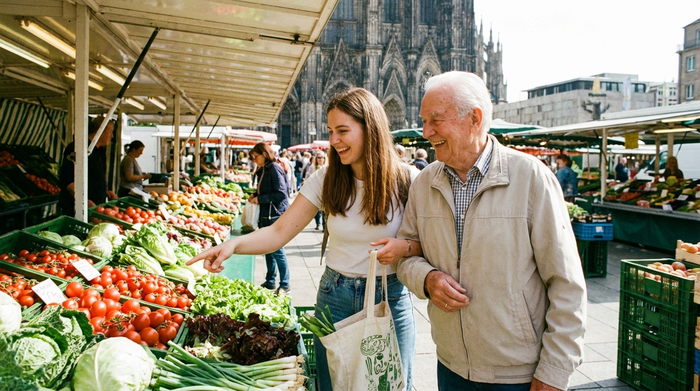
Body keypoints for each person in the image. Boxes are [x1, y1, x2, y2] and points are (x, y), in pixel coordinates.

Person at [188, 87, 418, 391]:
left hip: (390, 297)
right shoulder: (326, 179)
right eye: (331, 131)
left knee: (391, 385)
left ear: (370, 129)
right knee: (333, 385)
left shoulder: (408, 180)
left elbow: (431, 243)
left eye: (342, 131)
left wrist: (405, 247)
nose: (333, 140)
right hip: (336, 298)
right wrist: (233, 245)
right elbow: (279, 232)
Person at [374, 71, 586, 391]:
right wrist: (428, 280)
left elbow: (567, 284)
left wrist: (554, 372)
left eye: (435, 119)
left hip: (517, 375)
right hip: (451, 366)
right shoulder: (424, 183)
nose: (426, 131)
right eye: (424, 120)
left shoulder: (530, 178)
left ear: (474, 118)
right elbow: (408, 252)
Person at [249, 142, 291, 295]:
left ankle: (285, 283)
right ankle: (270, 280)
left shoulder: (274, 168)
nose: (254, 160)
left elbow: (281, 193)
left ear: (264, 154)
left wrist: (261, 199)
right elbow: (266, 189)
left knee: (277, 250)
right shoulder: (263, 169)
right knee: (267, 249)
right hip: (266, 214)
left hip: (275, 214)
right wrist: (256, 195)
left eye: (255, 157)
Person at [59, 116, 118, 216]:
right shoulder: (77, 148)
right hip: (77, 209)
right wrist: (84, 200)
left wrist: (105, 192)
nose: (112, 136)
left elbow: (93, 178)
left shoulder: (99, 151)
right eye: (110, 131)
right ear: (100, 130)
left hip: (95, 208)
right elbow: (68, 181)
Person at [304, 151, 327, 230]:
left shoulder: (327, 167)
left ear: (325, 159)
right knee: (317, 209)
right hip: (315, 191)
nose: (320, 159)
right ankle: (318, 223)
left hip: (325, 191)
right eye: (319, 157)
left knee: (325, 210)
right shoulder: (313, 167)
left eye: (322, 158)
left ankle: (324, 226)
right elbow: (307, 177)